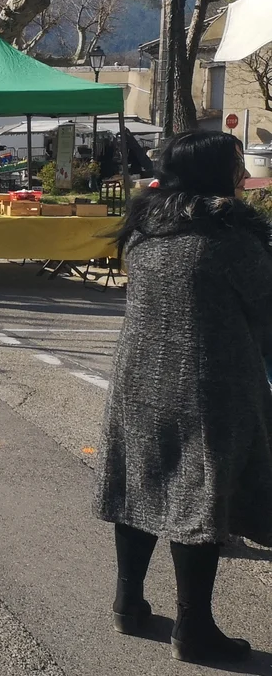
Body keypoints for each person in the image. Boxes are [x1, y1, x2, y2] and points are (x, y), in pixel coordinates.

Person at [99, 130, 272, 665]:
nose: (243, 176)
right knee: (197, 498)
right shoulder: (229, 239)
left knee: (140, 488)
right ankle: (194, 629)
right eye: (237, 166)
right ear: (216, 174)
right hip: (208, 385)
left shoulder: (145, 231)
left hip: (138, 381)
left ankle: (128, 604)